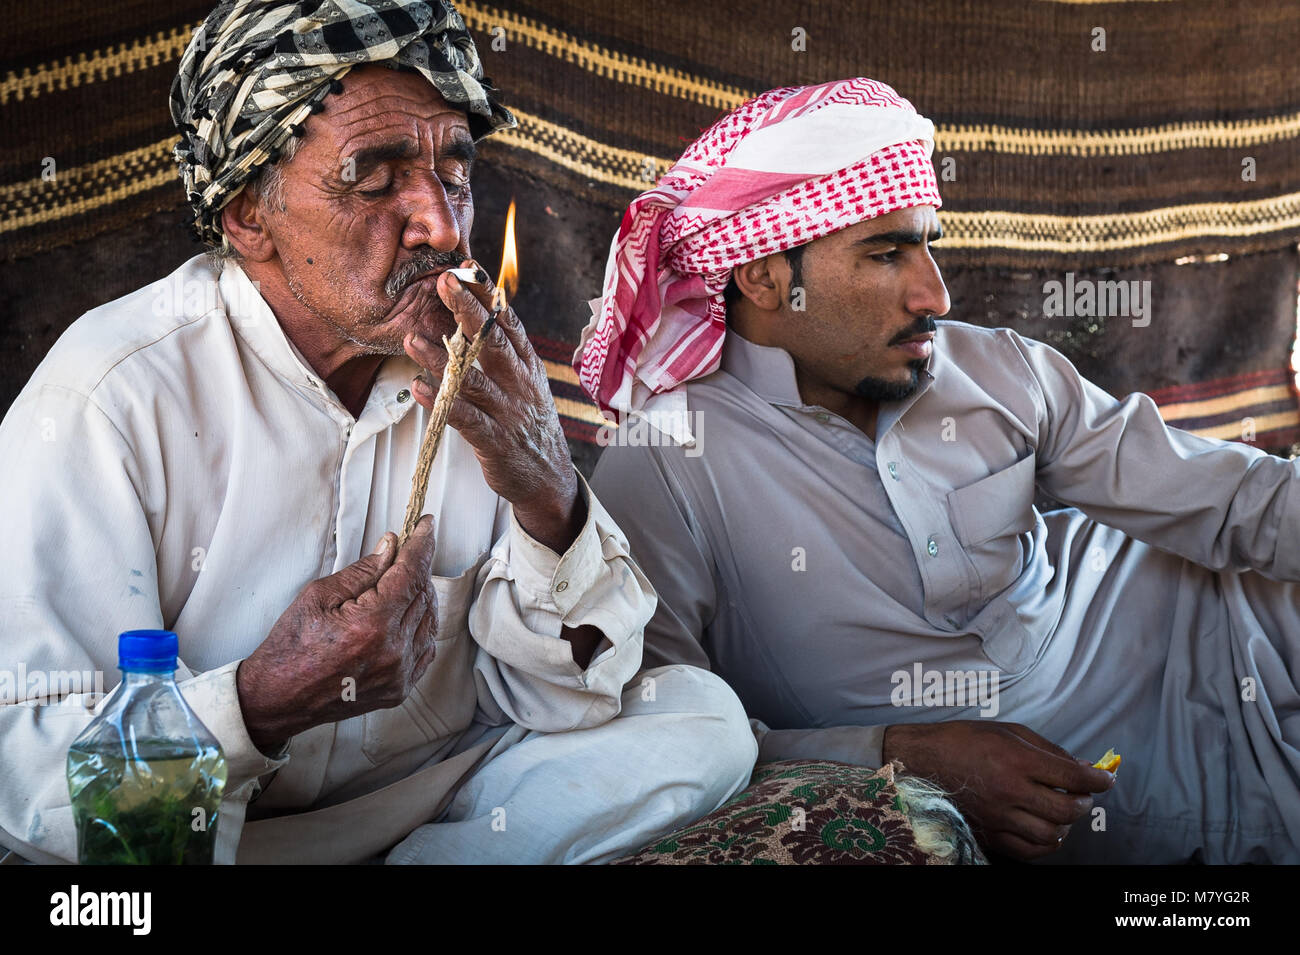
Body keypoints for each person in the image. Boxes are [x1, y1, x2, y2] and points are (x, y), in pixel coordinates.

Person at [0, 0, 756, 866]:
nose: (439, 224)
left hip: (430, 809)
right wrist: (262, 701)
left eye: (455, 175)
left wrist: (546, 488)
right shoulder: (111, 394)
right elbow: (22, 765)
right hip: (207, 835)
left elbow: (563, 698)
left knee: (698, 716)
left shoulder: (477, 377)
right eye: (376, 180)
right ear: (249, 215)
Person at [580, 77, 1300, 864]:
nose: (936, 293)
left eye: (928, 244)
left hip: (1240, 636)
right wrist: (900, 754)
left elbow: (1238, 503)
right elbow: (666, 735)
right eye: (886, 253)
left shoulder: (999, 370)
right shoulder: (669, 464)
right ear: (761, 275)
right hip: (1107, 810)